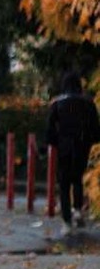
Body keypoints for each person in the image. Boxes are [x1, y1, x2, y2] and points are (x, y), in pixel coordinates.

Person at [46, 71, 100, 234]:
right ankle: (77, 209)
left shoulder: (58, 104)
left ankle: (67, 221)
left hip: (64, 147)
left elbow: (50, 129)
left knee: (63, 183)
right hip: (81, 146)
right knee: (77, 178)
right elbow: (96, 128)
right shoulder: (88, 103)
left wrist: (55, 142)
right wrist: (89, 141)